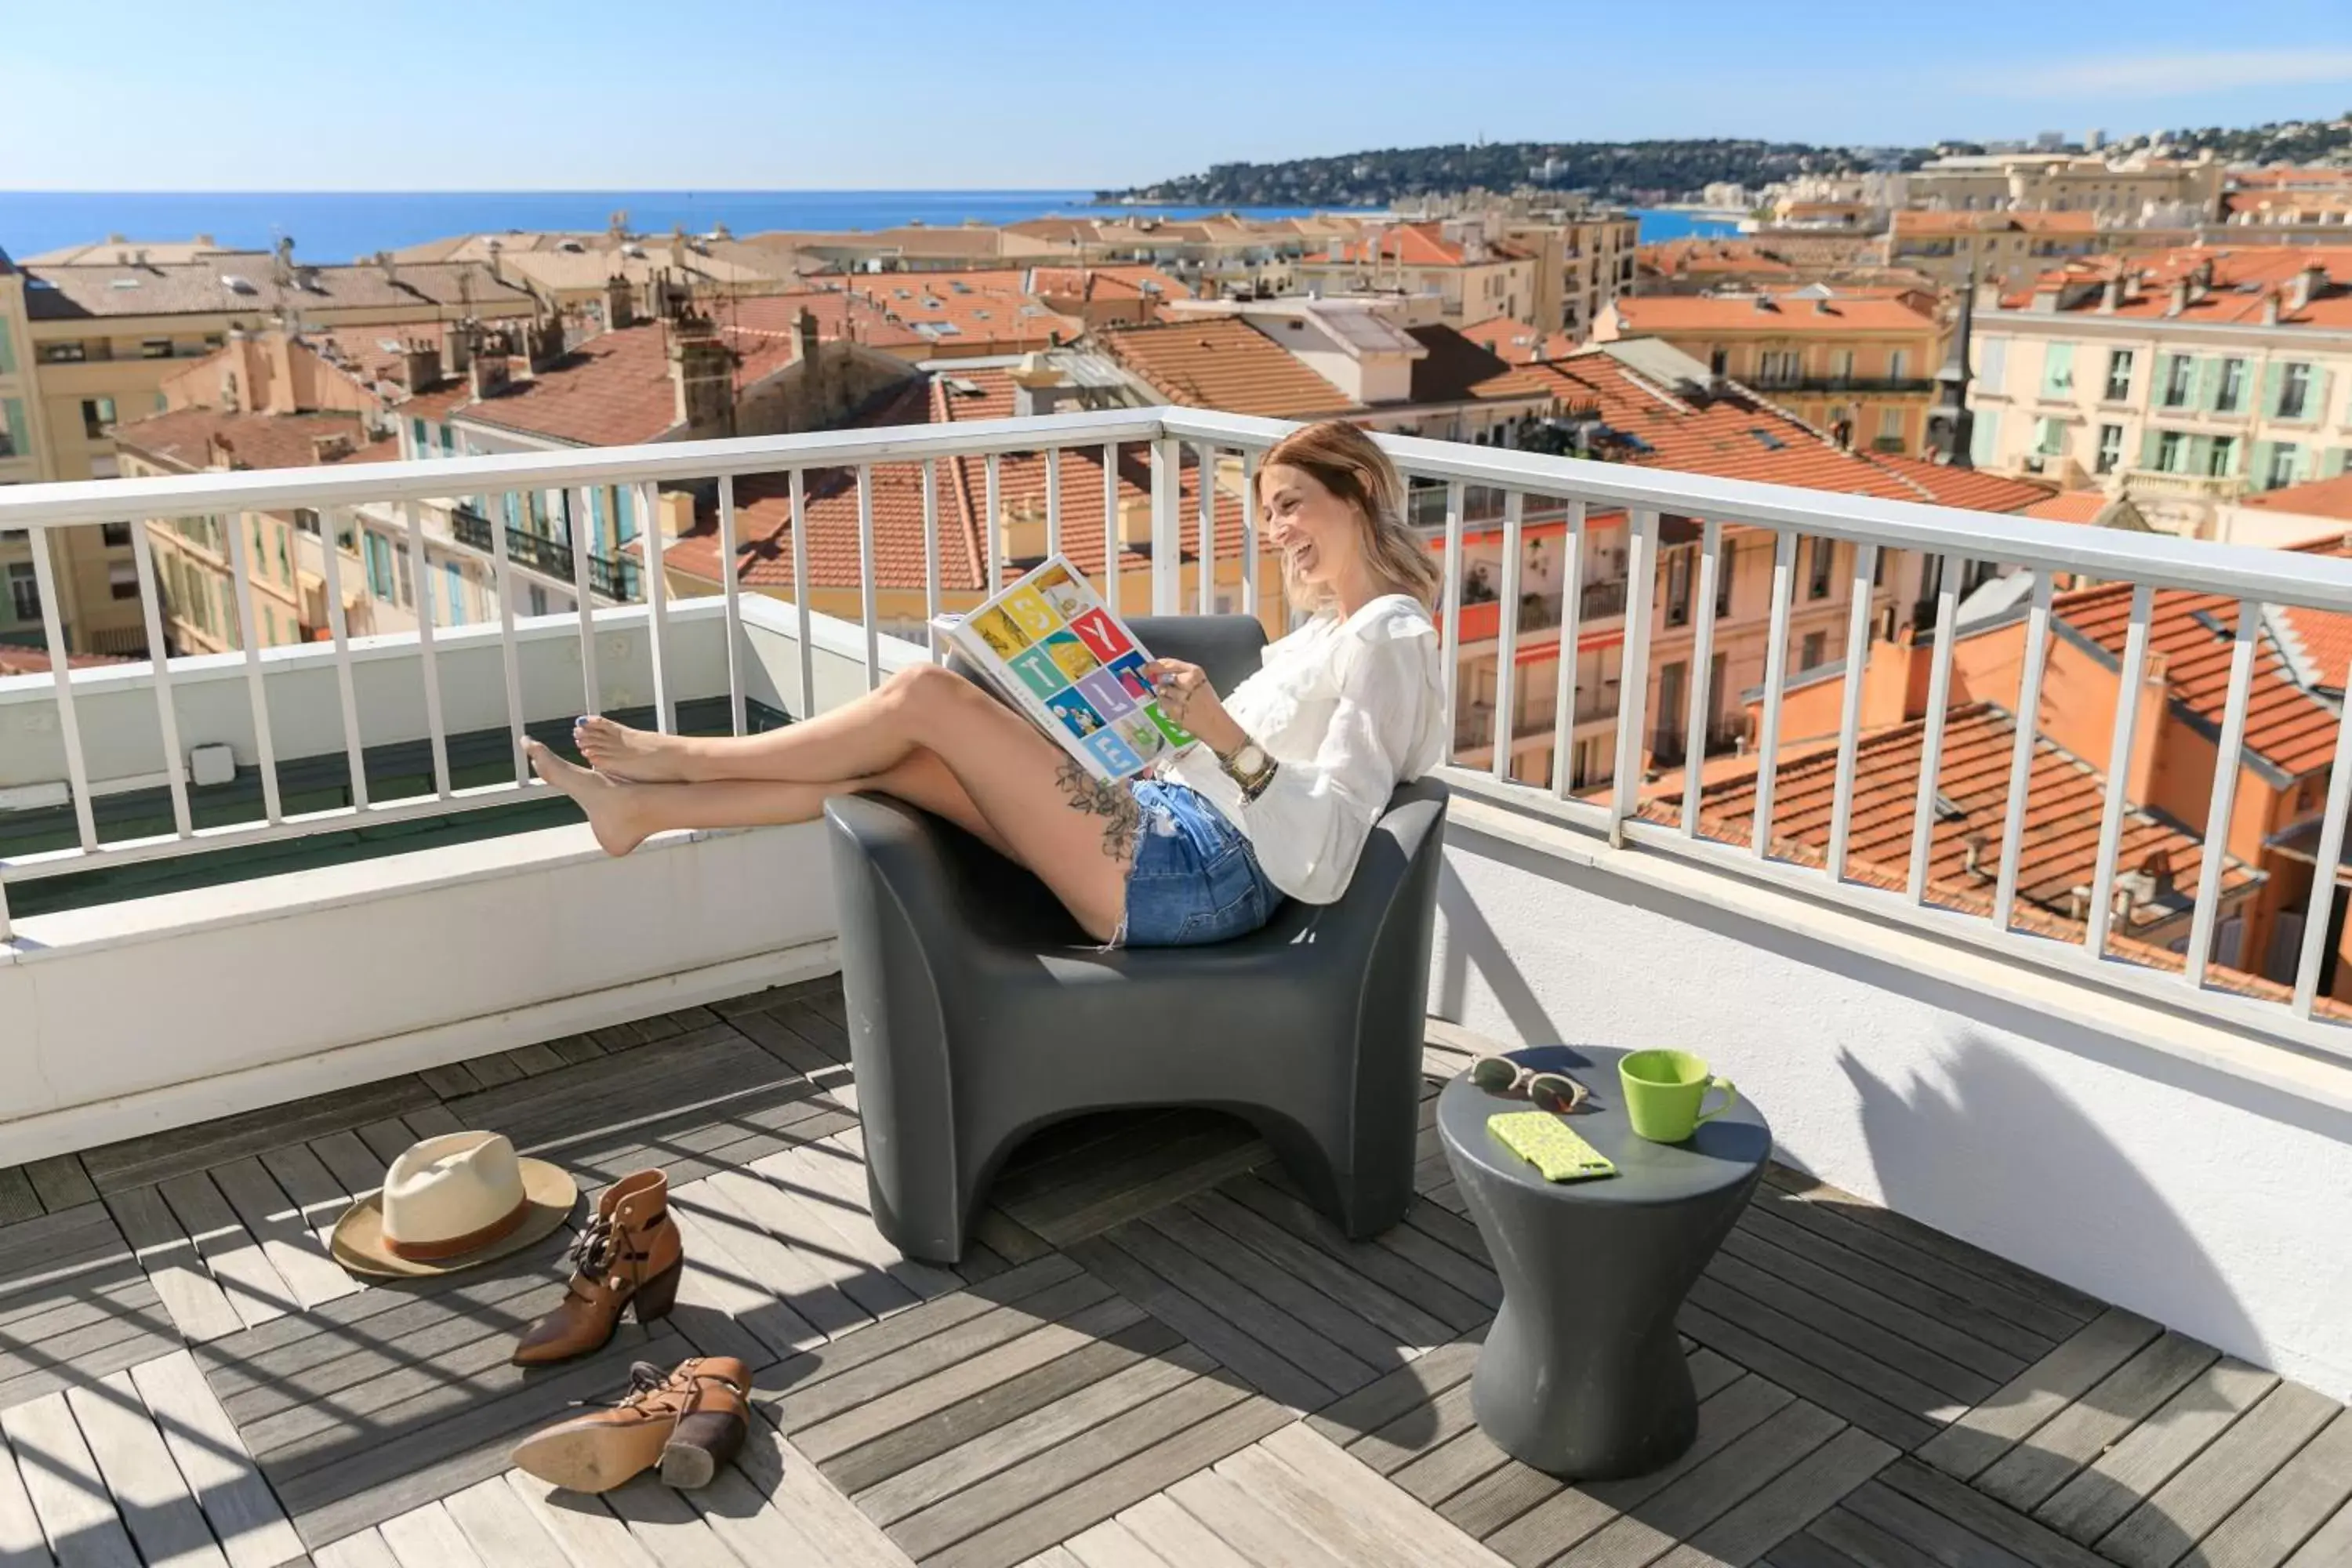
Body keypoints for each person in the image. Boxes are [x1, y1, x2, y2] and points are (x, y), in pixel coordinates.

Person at [524, 419, 1446, 947]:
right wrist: (1151, 723)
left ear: (1359, 488)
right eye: (1266, 512)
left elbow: (1326, 857)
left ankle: (678, 758)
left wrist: (1220, 733)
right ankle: (639, 811)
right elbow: (1240, 764)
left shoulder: (1390, 637)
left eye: (1292, 504)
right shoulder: (1325, 632)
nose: (1277, 529)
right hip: (1165, 816)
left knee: (927, 695)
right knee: (898, 764)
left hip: (1199, 875)